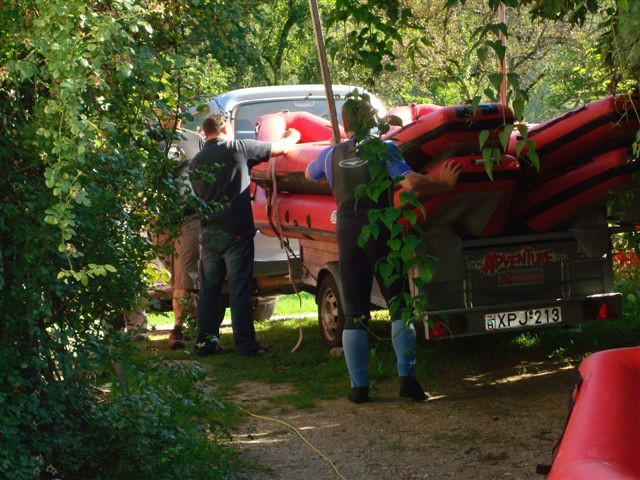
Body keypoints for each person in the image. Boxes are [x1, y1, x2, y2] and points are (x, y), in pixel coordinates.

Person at [305, 98, 462, 403]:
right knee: (399, 305)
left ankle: (359, 388)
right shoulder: (385, 149)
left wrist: (336, 151)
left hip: (348, 233)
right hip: (380, 230)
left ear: (346, 124)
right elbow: (412, 182)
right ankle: (407, 380)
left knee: (354, 312)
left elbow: (311, 172)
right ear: (373, 121)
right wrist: (444, 184)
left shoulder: (330, 154)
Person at [190, 113, 300, 356]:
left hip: (209, 233)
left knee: (209, 290)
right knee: (239, 289)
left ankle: (205, 343)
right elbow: (281, 148)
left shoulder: (196, 161)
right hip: (236, 232)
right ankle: (245, 345)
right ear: (226, 128)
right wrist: (294, 135)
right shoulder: (238, 148)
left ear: (205, 132)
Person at [149, 114, 203, 349]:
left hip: (189, 218)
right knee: (173, 273)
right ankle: (195, 320)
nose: (169, 116)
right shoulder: (149, 143)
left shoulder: (195, 140)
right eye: (164, 111)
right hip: (159, 219)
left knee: (184, 272)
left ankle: (178, 329)